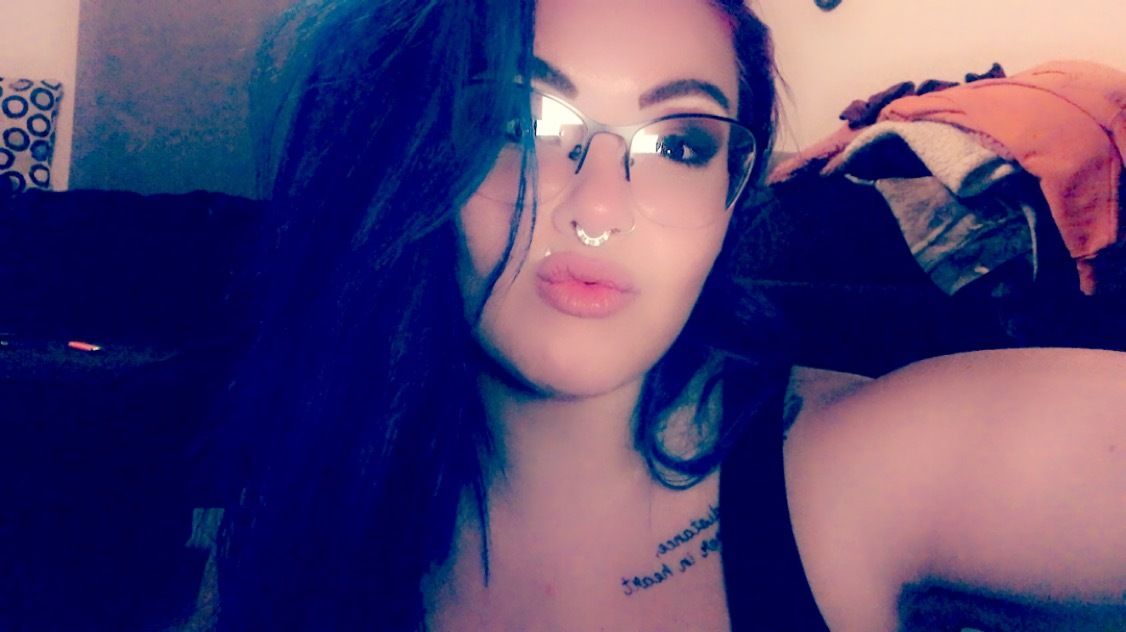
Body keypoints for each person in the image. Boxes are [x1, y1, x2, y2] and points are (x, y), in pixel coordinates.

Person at [211, 0, 1125, 629]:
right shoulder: (289, 517)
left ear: (730, 198)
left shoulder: (858, 468)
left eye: (680, 144)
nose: (600, 209)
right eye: (526, 124)